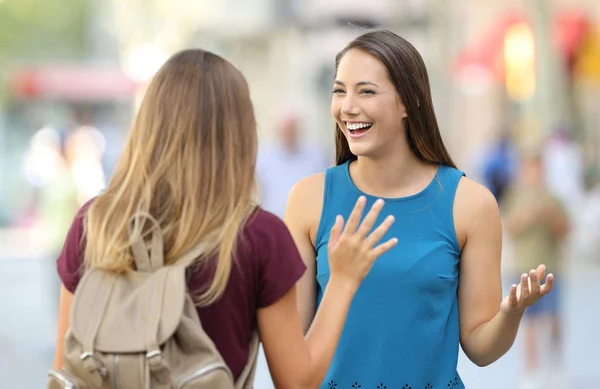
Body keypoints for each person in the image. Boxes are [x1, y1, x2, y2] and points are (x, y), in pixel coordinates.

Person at [51, 49, 398, 388]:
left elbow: (66, 370)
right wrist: (343, 280)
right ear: (239, 132)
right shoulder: (257, 236)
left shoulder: (94, 223)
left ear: (148, 126)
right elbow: (297, 381)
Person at [285, 30, 554, 389]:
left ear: (407, 102)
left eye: (366, 91)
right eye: (339, 90)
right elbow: (291, 356)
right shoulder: (308, 199)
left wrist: (511, 313)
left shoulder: (470, 204)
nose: (347, 106)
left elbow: (480, 348)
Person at [504, 153, 569, 388]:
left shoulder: (553, 198)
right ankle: (531, 371)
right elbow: (509, 229)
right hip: (524, 268)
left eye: (538, 169)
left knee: (553, 318)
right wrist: (529, 216)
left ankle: (555, 364)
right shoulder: (516, 196)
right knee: (528, 321)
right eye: (530, 168)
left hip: (551, 267)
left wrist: (549, 215)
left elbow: (565, 231)